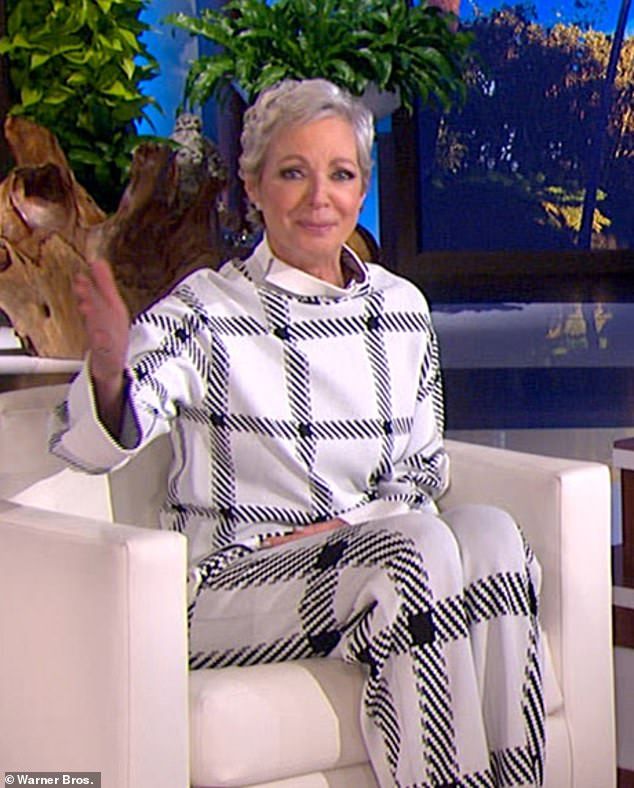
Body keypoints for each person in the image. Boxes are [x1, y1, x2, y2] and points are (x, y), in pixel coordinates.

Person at [50, 78, 544, 787]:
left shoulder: (401, 308)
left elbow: (423, 470)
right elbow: (94, 439)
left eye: (340, 174)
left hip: (358, 550)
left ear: (363, 185)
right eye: (292, 172)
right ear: (252, 186)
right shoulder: (204, 309)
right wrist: (106, 372)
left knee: (494, 534)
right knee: (411, 552)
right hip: (232, 583)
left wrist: (338, 528)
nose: (320, 197)